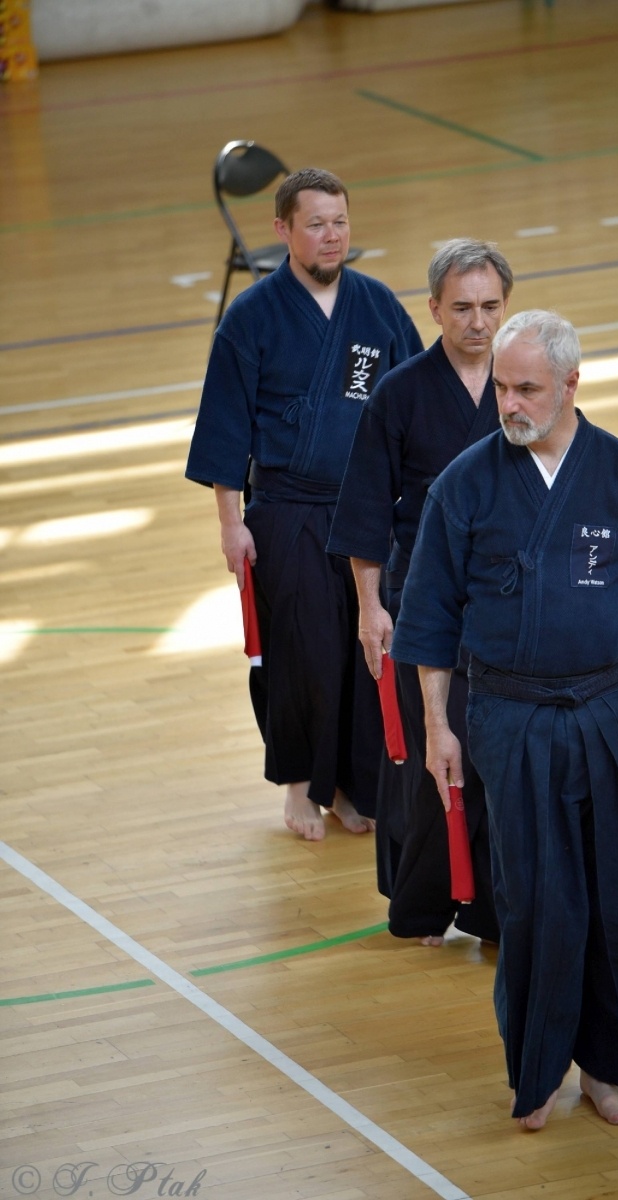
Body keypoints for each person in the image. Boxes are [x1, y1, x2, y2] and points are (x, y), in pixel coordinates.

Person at [391, 310, 618, 1128]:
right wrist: (438, 728)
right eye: (502, 387)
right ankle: (536, 1070)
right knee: (536, 899)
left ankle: (604, 1071)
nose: (508, 403)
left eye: (527, 388)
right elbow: (429, 619)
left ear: (571, 385)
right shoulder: (464, 484)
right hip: (508, 714)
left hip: (608, 710)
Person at [186, 167, 423, 841]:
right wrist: (232, 526)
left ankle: (352, 783)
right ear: (283, 230)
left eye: (340, 221)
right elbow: (225, 427)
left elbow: (410, 403)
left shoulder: (376, 307)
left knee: (366, 653)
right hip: (287, 509)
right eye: (315, 223)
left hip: (367, 513)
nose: (330, 236)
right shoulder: (251, 317)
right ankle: (299, 785)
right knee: (302, 653)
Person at [328, 238, 513, 946]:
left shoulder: (521, 382)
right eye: (461, 307)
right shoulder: (399, 392)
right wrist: (370, 607)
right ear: (433, 308)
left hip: (506, 599)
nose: (477, 322)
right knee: (429, 760)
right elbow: (366, 512)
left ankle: (496, 907)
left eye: (490, 307)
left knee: (498, 760)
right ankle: (420, 905)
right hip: (422, 601)